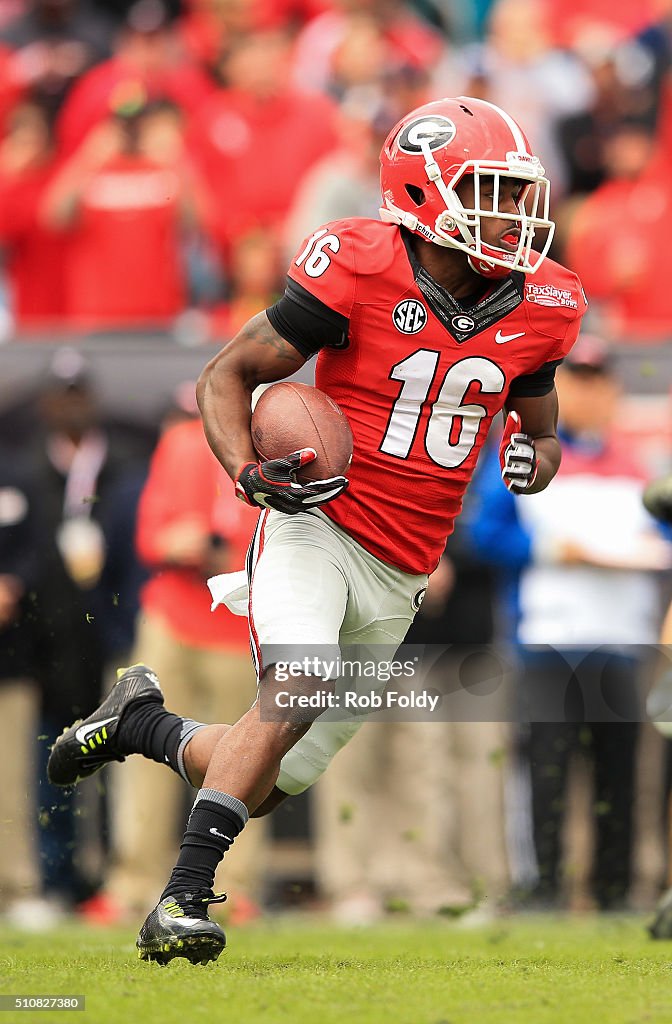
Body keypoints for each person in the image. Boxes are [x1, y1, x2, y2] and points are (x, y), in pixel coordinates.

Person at [48, 95, 587, 965]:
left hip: (405, 566)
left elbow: (542, 427)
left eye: (516, 192)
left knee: (267, 779)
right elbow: (227, 375)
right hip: (318, 519)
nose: (510, 213)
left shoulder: (546, 300)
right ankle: (182, 899)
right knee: (298, 685)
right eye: (486, 190)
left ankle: (140, 723)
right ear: (421, 194)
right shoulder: (363, 264)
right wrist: (246, 475)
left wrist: (536, 456)